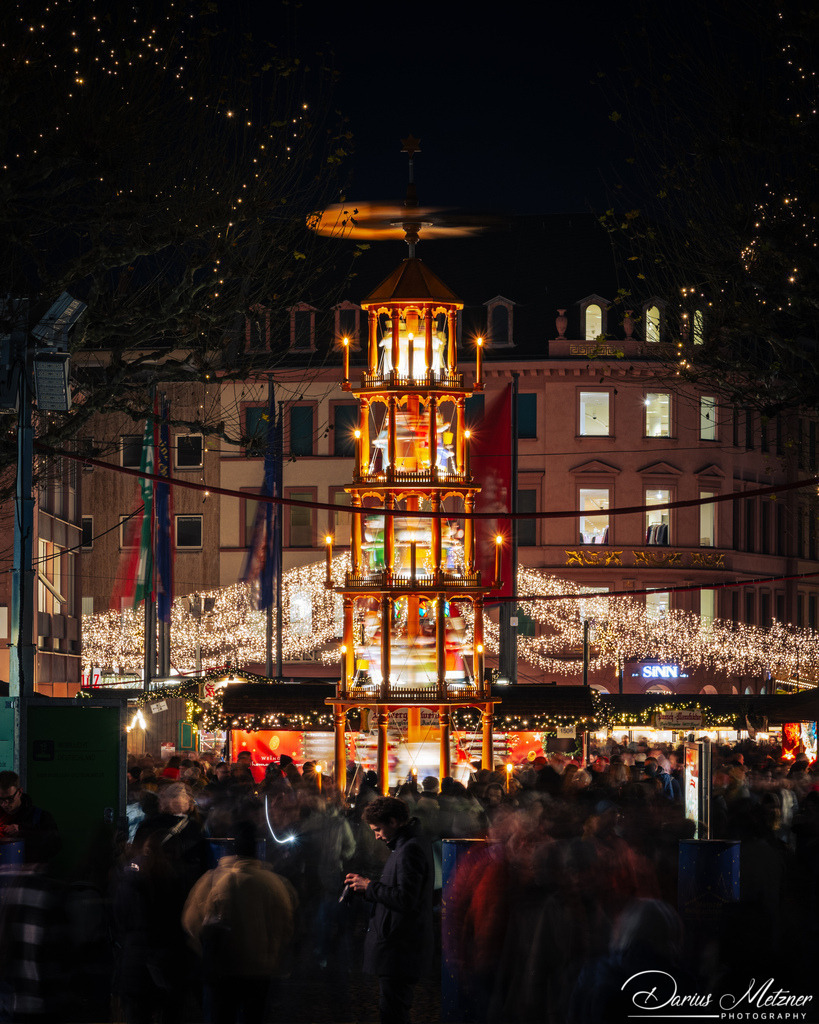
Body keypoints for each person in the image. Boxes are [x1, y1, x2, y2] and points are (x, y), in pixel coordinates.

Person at [183, 820, 297, 1024]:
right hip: (260, 973)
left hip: (221, 971)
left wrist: (204, 952)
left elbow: (191, 923)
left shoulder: (212, 880)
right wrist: (272, 954)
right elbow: (286, 925)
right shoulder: (275, 883)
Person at [344, 796, 434, 1024]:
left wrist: (370, 887)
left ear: (393, 822)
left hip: (399, 948)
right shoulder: (409, 845)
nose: (376, 836)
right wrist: (369, 887)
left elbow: (406, 898)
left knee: (393, 1012)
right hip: (400, 946)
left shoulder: (409, 850)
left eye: (378, 829)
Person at [0, 770, 61, 864]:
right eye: (1, 800)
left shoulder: (40, 817)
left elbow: (55, 845)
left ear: (19, 792)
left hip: (29, 871)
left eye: (10, 799)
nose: (5, 804)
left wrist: (22, 831)